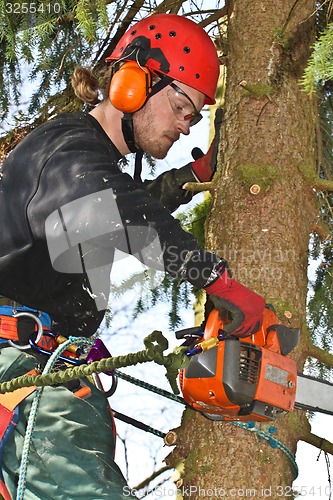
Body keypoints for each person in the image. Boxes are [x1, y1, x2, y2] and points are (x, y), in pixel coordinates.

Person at [0, 13, 265, 499]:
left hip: (34, 370)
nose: (186, 127)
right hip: (27, 371)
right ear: (135, 82)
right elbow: (122, 212)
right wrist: (218, 281)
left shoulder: (76, 166)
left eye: (196, 116)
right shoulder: (69, 149)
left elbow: (108, 214)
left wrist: (189, 176)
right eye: (182, 106)